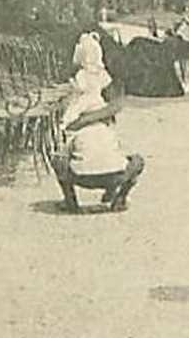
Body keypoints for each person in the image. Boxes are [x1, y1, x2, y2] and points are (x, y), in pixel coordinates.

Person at [51, 33, 144, 213]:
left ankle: (70, 202)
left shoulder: (76, 94)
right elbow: (116, 103)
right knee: (132, 158)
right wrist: (100, 115)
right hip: (116, 174)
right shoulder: (101, 93)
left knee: (60, 157)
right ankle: (118, 197)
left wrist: (82, 121)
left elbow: (67, 125)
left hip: (82, 176)